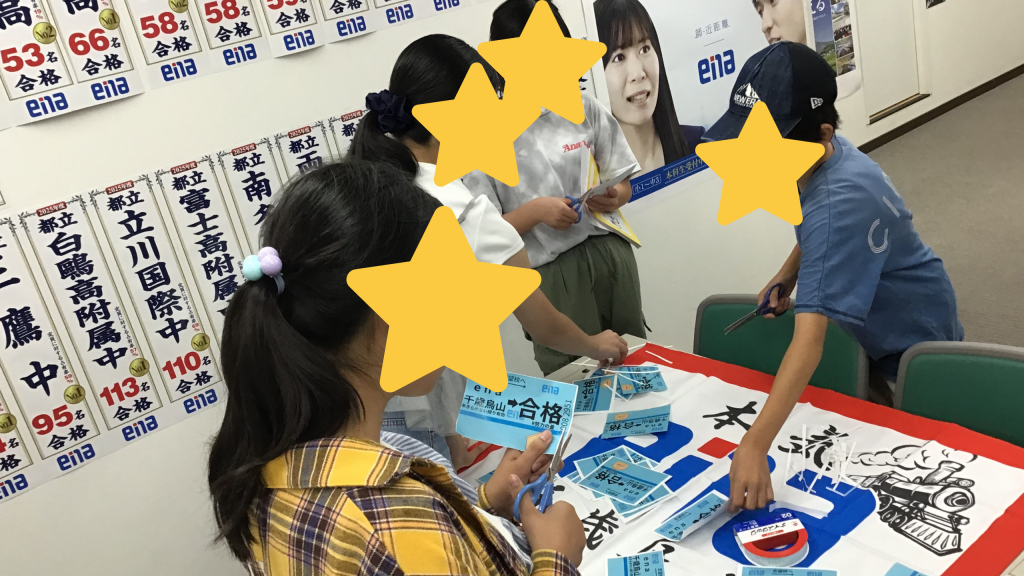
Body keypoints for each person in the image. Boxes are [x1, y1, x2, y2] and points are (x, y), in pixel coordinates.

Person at [207, 160, 586, 575]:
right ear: (388, 320)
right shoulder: (397, 521)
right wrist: (557, 559)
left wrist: (482, 504)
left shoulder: (273, 465)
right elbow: (409, 545)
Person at [702, 42, 963, 512]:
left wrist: (755, 445)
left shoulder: (836, 198)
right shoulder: (830, 154)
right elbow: (821, 232)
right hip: (885, 313)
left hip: (908, 333)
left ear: (821, 133)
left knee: (922, 453)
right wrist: (788, 273)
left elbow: (809, 341)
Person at [348, 34, 629, 467]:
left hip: (354, 407)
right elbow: (542, 323)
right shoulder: (462, 212)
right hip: (421, 409)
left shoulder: (358, 188)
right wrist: (594, 344)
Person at [466, 0, 647, 377]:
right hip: (552, 272)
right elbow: (484, 235)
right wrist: (535, 213)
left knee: (632, 360)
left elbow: (623, 181)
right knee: (574, 376)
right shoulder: (484, 131)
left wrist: (614, 196)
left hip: (610, 252)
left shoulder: (583, 107)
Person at [593, 0, 704, 173]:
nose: (638, 73)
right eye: (619, 57)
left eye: (644, 49)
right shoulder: (591, 180)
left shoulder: (697, 146)